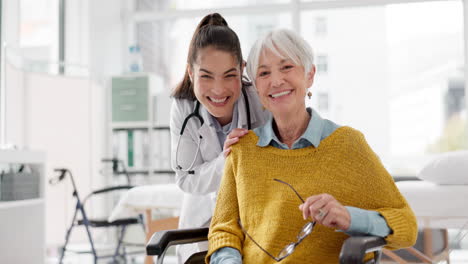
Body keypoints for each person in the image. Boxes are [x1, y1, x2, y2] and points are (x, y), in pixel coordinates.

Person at [207, 29, 418, 264]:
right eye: (264, 73)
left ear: (310, 75)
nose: (276, 81)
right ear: (257, 87)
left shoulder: (348, 144)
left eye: (287, 67)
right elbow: (223, 230)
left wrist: (350, 218)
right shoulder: (242, 150)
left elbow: (407, 225)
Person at [170, 13, 270, 263]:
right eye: (206, 76)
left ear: (242, 69)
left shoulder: (260, 101)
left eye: (229, 75)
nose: (218, 89)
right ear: (191, 73)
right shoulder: (183, 107)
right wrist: (228, 159)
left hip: (259, 221)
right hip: (203, 224)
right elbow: (186, 179)